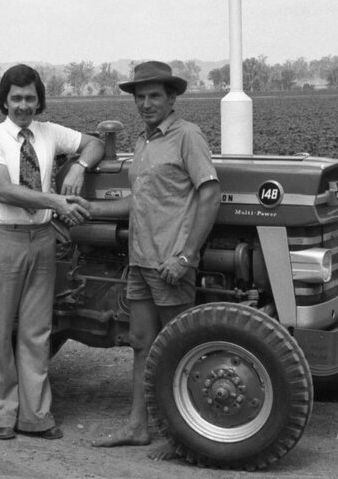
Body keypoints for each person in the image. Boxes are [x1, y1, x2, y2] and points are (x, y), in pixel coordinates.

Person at [90, 61, 221, 454]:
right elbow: (138, 201)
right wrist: (86, 209)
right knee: (142, 343)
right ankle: (137, 426)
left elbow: (209, 192)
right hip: (141, 261)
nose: (146, 103)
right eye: (140, 97)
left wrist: (187, 255)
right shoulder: (145, 143)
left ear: (171, 98)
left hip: (170, 263)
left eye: (154, 96)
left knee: (180, 347)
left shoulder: (187, 137)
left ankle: (189, 434)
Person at [0, 64, 105, 441]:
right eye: (16, 98)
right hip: (5, 238)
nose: (23, 105)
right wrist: (57, 201)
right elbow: (5, 190)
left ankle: (35, 416)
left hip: (41, 239)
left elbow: (94, 142)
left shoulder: (49, 133)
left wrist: (80, 165)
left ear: (39, 99)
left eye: (30, 97)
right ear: (4, 100)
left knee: (36, 332)